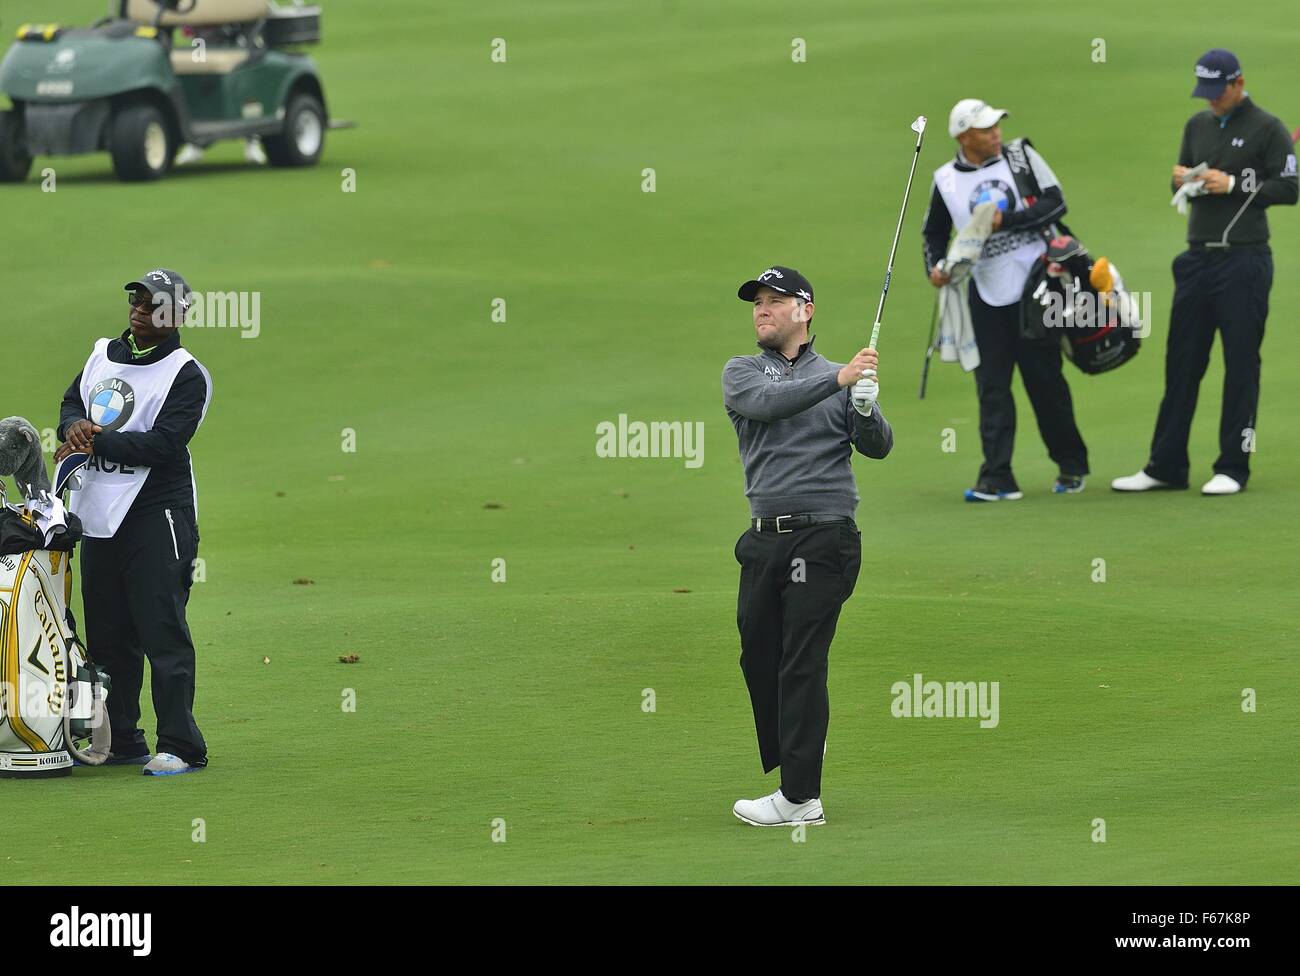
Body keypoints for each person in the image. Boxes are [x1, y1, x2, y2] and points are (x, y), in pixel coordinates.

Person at [723, 265, 893, 827]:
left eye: (776, 300)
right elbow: (774, 403)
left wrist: (865, 409)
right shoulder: (743, 373)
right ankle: (802, 741)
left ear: (806, 309)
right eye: (757, 303)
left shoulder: (839, 376)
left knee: (801, 660)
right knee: (759, 656)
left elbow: (879, 447)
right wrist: (842, 381)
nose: (762, 310)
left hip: (824, 537)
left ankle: (800, 799)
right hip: (763, 539)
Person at [1111, 50, 1297, 495]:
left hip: (1244, 260)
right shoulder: (1196, 125)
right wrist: (1182, 180)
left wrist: (1233, 183)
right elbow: (1181, 180)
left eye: (1218, 93)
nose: (1212, 101)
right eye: (1206, 94)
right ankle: (1166, 465)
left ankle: (1233, 466)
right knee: (1182, 363)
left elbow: (1290, 187)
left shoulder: (1267, 128)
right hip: (1197, 260)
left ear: (1238, 83)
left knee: (1240, 364)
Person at [55, 269, 214, 776]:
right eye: (137, 299)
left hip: (157, 514)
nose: (141, 309)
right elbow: (71, 402)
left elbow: (163, 445)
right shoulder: (102, 352)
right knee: (107, 636)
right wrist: (72, 426)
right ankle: (121, 737)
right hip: (100, 511)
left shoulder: (187, 374)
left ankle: (182, 746)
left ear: (178, 316)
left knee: (160, 630)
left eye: (154, 304)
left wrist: (92, 439)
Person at [921, 98, 1089, 501]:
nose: (996, 133)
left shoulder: (1020, 157)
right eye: (986, 129)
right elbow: (933, 234)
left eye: (997, 125)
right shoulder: (945, 179)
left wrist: (1005, 221)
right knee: (992, 387)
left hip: (1036, 287)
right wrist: (936, 268)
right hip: (985, 292)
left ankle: (1071, 465)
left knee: (1044, 381)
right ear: (964, 137)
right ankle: (997, 477)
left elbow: (1056, 203)